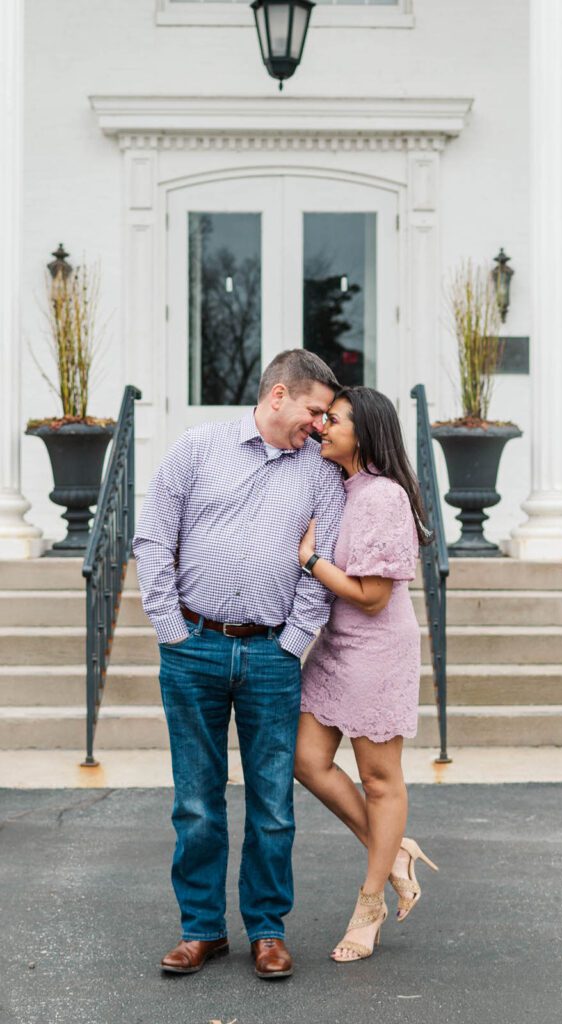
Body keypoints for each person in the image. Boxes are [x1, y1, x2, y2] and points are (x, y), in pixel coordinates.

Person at [132, 350, 345, 980]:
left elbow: (324, 556)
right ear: (278, 396)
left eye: (327, 416)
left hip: (271, 653)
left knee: (273, 804)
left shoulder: (320, 472)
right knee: (197, 801)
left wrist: (295, 639)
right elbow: (152, 537)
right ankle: (201, 930)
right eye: (315, 410)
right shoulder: (198, 447)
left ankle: (267, 931)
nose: (321, 424)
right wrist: (170, 629)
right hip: (193, 644)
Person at [294, 386, 439, 964]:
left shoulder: (383, 497)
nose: (323, 427)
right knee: (307, 760)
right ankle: (395, 849)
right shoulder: (342, 485)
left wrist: (310, 561)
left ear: (366, 432)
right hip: (336, 643)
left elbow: (374, 597)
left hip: (377, 647)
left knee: (380, 780)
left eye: (334, 420)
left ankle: (370, 904)